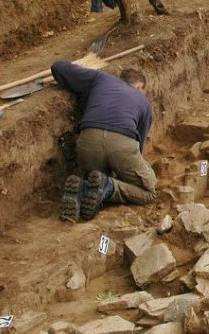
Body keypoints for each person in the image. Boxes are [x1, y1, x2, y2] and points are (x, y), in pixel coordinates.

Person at [52, 60, 156, 222]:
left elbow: (58, 67)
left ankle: (83, 189)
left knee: (95, 179)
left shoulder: (102, 79)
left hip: (88, 140)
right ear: (140, 87)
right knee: (149, 191)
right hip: (122, 144)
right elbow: (138, 148)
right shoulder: (145, 104)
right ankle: (108, 187)